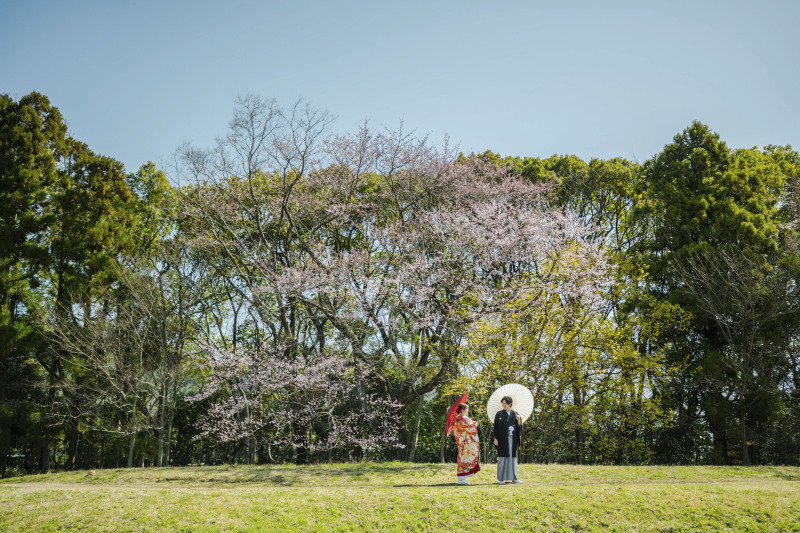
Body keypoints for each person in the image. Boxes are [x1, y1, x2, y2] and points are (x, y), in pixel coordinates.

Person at [493, 396, 523, 484]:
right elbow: (495, 427)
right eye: (502, 403)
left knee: (513, 458)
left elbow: (519, 428)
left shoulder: (515, 414)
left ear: (510, 404)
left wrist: (518, 421)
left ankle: (514, 478)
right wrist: (495, 438)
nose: (503, 405)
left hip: (512, 439)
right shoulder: (499, 414)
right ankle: (500, 479)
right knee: (502, 458)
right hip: (502, 439)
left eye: (505, 403)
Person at [452, 403, 481, 485]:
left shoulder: (457, 418)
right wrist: (475, 424)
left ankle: (461, 478)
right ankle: (462, 479)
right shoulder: (463, 418)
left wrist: (472, 424)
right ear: (462, 410)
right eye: (467, 409)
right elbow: (470, 428)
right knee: (467, 457)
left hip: (462, 442)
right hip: (467, 442)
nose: (468, 410)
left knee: (462, 457)